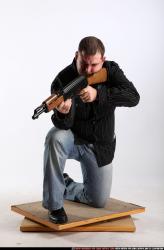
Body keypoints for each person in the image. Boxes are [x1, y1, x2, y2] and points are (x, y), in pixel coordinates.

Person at [42, 36, 140, 224]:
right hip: (73, 140)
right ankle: (54, 205)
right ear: (77, 56)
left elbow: (133, 97)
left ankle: (65, 185)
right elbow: (63, 126)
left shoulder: (111, 71)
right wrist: (64, 112)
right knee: (54, 137)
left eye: (94, 65)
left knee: (98, 200)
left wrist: (99, 94)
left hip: (100, 146)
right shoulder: (62, 80)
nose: (88, 70)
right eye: (83, 64)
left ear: (103, 60)